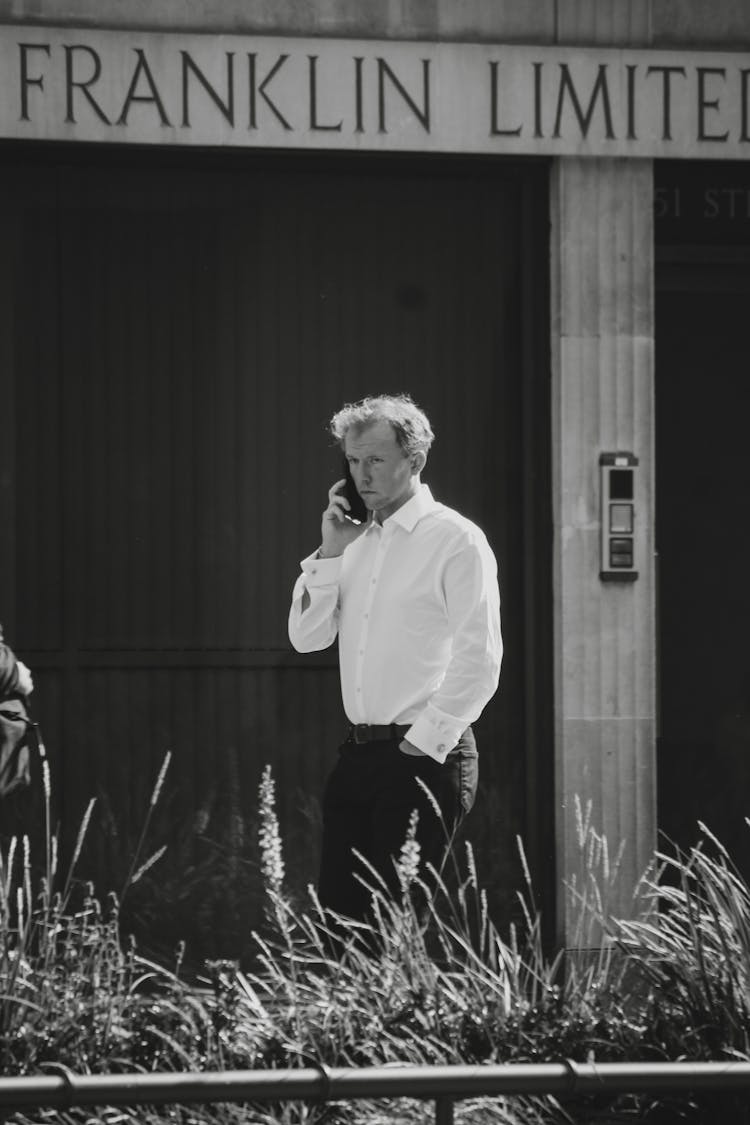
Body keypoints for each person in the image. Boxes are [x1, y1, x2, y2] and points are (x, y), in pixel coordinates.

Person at [288, 394, 502, 922]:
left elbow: (480, 658)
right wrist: (330, 553)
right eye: (354, 461)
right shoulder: (350, 541)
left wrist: (422, 746)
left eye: (376, 460)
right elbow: (307, 638)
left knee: (394, 929)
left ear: (415, 459)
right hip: (357, 757)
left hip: (422, 757)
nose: (362, 474)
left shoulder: (456, 539)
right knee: (340, 926)